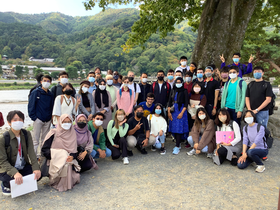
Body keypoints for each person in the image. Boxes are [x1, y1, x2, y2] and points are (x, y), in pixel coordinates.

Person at [0, 111, 41, 196]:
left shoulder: (26, 134)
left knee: (38, 175)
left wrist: (36, 168)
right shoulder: (3, 138)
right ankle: (5, 184)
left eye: (20, 119)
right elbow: (2, 161)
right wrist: (14, 172)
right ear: (9, 122)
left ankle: (20, 178)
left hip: (22, 166)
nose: (18, 121)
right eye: (15, 120)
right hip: (8, 168)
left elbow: (31, 152)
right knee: (9, 181)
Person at [42, 114, 80, 192]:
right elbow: (44, 149)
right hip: (54, 159)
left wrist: (72, 156)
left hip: (68, 160)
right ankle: (56, 181)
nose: (67, 123)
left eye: (69, 122)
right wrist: (59, 156)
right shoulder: (53, 133)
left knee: (67, 163)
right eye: (64, 122)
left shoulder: (72, 134)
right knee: (64, 157)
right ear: (60, 122)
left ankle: (66, 184)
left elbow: (74, 151)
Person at [28, 75, 54, 157]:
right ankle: (34, 157)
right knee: (35, 140)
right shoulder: (36, 92)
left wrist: (50, 118)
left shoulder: (50, 94)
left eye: (48, 81)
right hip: (38, 119)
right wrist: (34, 118)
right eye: (44, 80)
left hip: (47, 120)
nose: (46, 82)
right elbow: (31, 105)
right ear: (41, 81)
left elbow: (52, 106)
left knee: (45, 139)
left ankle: (43, 156)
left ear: (50, 82)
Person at [168, 77, 189, 155]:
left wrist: (182, 113)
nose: (178, 84)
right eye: (177, 82)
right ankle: (178, 143)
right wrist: (169, 112)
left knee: (179, 128)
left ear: (182, 83)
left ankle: (177, 146)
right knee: (174, 127)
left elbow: (186, 103)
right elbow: (169, 102)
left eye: (180, 82)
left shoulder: (184, 91)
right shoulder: (173, 90)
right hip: (173, 110)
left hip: (181, 110)